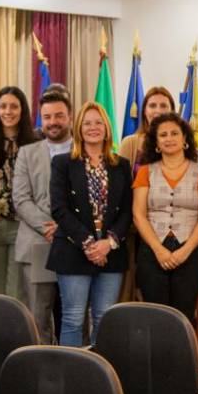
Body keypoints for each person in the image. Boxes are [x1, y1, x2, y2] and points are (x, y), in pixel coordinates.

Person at [49, 101, 133, 347]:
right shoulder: (63, 163)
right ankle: (71, 378)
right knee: (73, 318)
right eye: (87, 123)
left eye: (98, 123)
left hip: (111, 253)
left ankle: (99, 379)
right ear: (78, 128)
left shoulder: (121, 165)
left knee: (104, 318)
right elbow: (59, 209)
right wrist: (88, 244)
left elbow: (127, 210)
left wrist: (109, 243)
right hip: (73, 251)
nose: (93, 128)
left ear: (107, 129)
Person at [132, 113, 198, 325]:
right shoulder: (145, 172)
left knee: (183, 317)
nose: (169, 138)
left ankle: (182, 359)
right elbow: (139, 215)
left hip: (189, 252)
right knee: (155, 317)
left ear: (185, 139)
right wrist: (159, 250)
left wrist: (185, 251)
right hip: (152, 252)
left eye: (174, 133)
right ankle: (155, 360)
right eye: (163, 135)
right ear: (156, 142)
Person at [12, 86, 72, 343]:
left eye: (59, 115)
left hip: (76, 244)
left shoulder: (84, 149)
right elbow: (21, 199)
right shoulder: (27, 153)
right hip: (39, 243)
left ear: (70, 116)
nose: (53, 122)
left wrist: (69, 231)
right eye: (47, 117)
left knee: (75, 315)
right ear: (40, 118)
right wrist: (50, 228)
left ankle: (80, 371)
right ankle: (43, 375)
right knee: (38, 318)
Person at [0, 86, 39, 301]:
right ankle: (1, 335)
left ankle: (17, 335)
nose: (8, 111)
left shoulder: (36, 145)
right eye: (3, 106)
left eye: (14, 106)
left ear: (23, 111)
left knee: (16, 294)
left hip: (23, 227)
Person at [118, 86, 176, 169]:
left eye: (163, 106)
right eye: (152, 106)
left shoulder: (181, 144)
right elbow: (119, 180)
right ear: (145, 111)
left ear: (172, 111)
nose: (158, 111)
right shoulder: (129, 143)